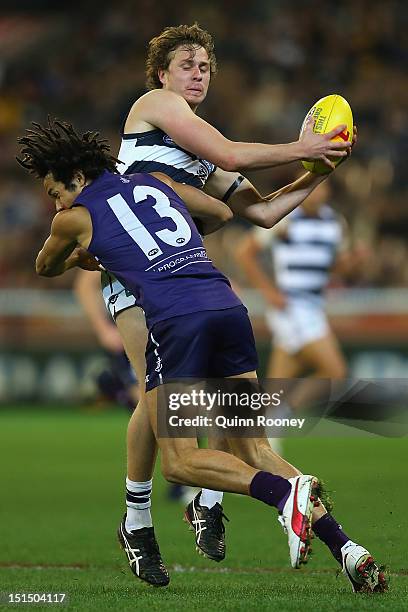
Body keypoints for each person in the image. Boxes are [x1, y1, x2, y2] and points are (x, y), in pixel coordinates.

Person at [17, 118, 386, 594]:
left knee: (179, 462)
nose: (55, 202)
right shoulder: (155, 183)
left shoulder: (73, 217)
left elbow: (43, 266)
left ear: (75, 178)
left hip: (176, 321)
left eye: (54, 191)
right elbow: (222, 215)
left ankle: (282, 495)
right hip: (228, 307)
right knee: (254, 447)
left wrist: (84, 253)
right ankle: (348, 549)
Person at [97, 23, 355, 571]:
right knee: (157, 396)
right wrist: (301, 145)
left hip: (182, 278)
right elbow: (235, 155)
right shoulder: (155, 105)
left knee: (210, 398)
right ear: (163, 73)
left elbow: (262, 212)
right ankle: (140, 516)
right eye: (187, 64)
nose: (197, 74)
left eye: (205, 67)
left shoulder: (198, 160)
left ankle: (202, 498)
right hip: (132, 272)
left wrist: (319, 169)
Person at [236, 180, 348, 419]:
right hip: (292, 306)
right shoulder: (284, 218)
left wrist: (353, 263)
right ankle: (280, 414)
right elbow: (245, 253)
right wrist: (268, 291)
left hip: (315, 306)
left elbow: (335, 266)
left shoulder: (335, 222)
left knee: (279, 383)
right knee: (335, 372)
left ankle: (253, 428)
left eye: (322, 186)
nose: (317, 192)